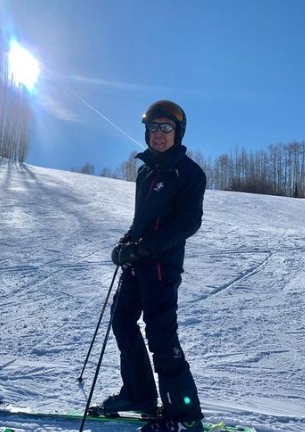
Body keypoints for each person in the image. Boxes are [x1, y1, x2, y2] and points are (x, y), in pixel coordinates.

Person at [103, 100, 206, 432]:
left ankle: (183, 416)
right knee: (122, 321)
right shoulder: (145, 171)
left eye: (166, 128)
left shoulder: (189, 173)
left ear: (178, 132)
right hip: (138, 263)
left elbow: (188, 224)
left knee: (161, 335)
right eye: (152, 128)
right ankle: (139, 395)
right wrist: (125, 243)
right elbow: (141, 221)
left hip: (162, 266)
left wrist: (145, 248)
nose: (158, 134)